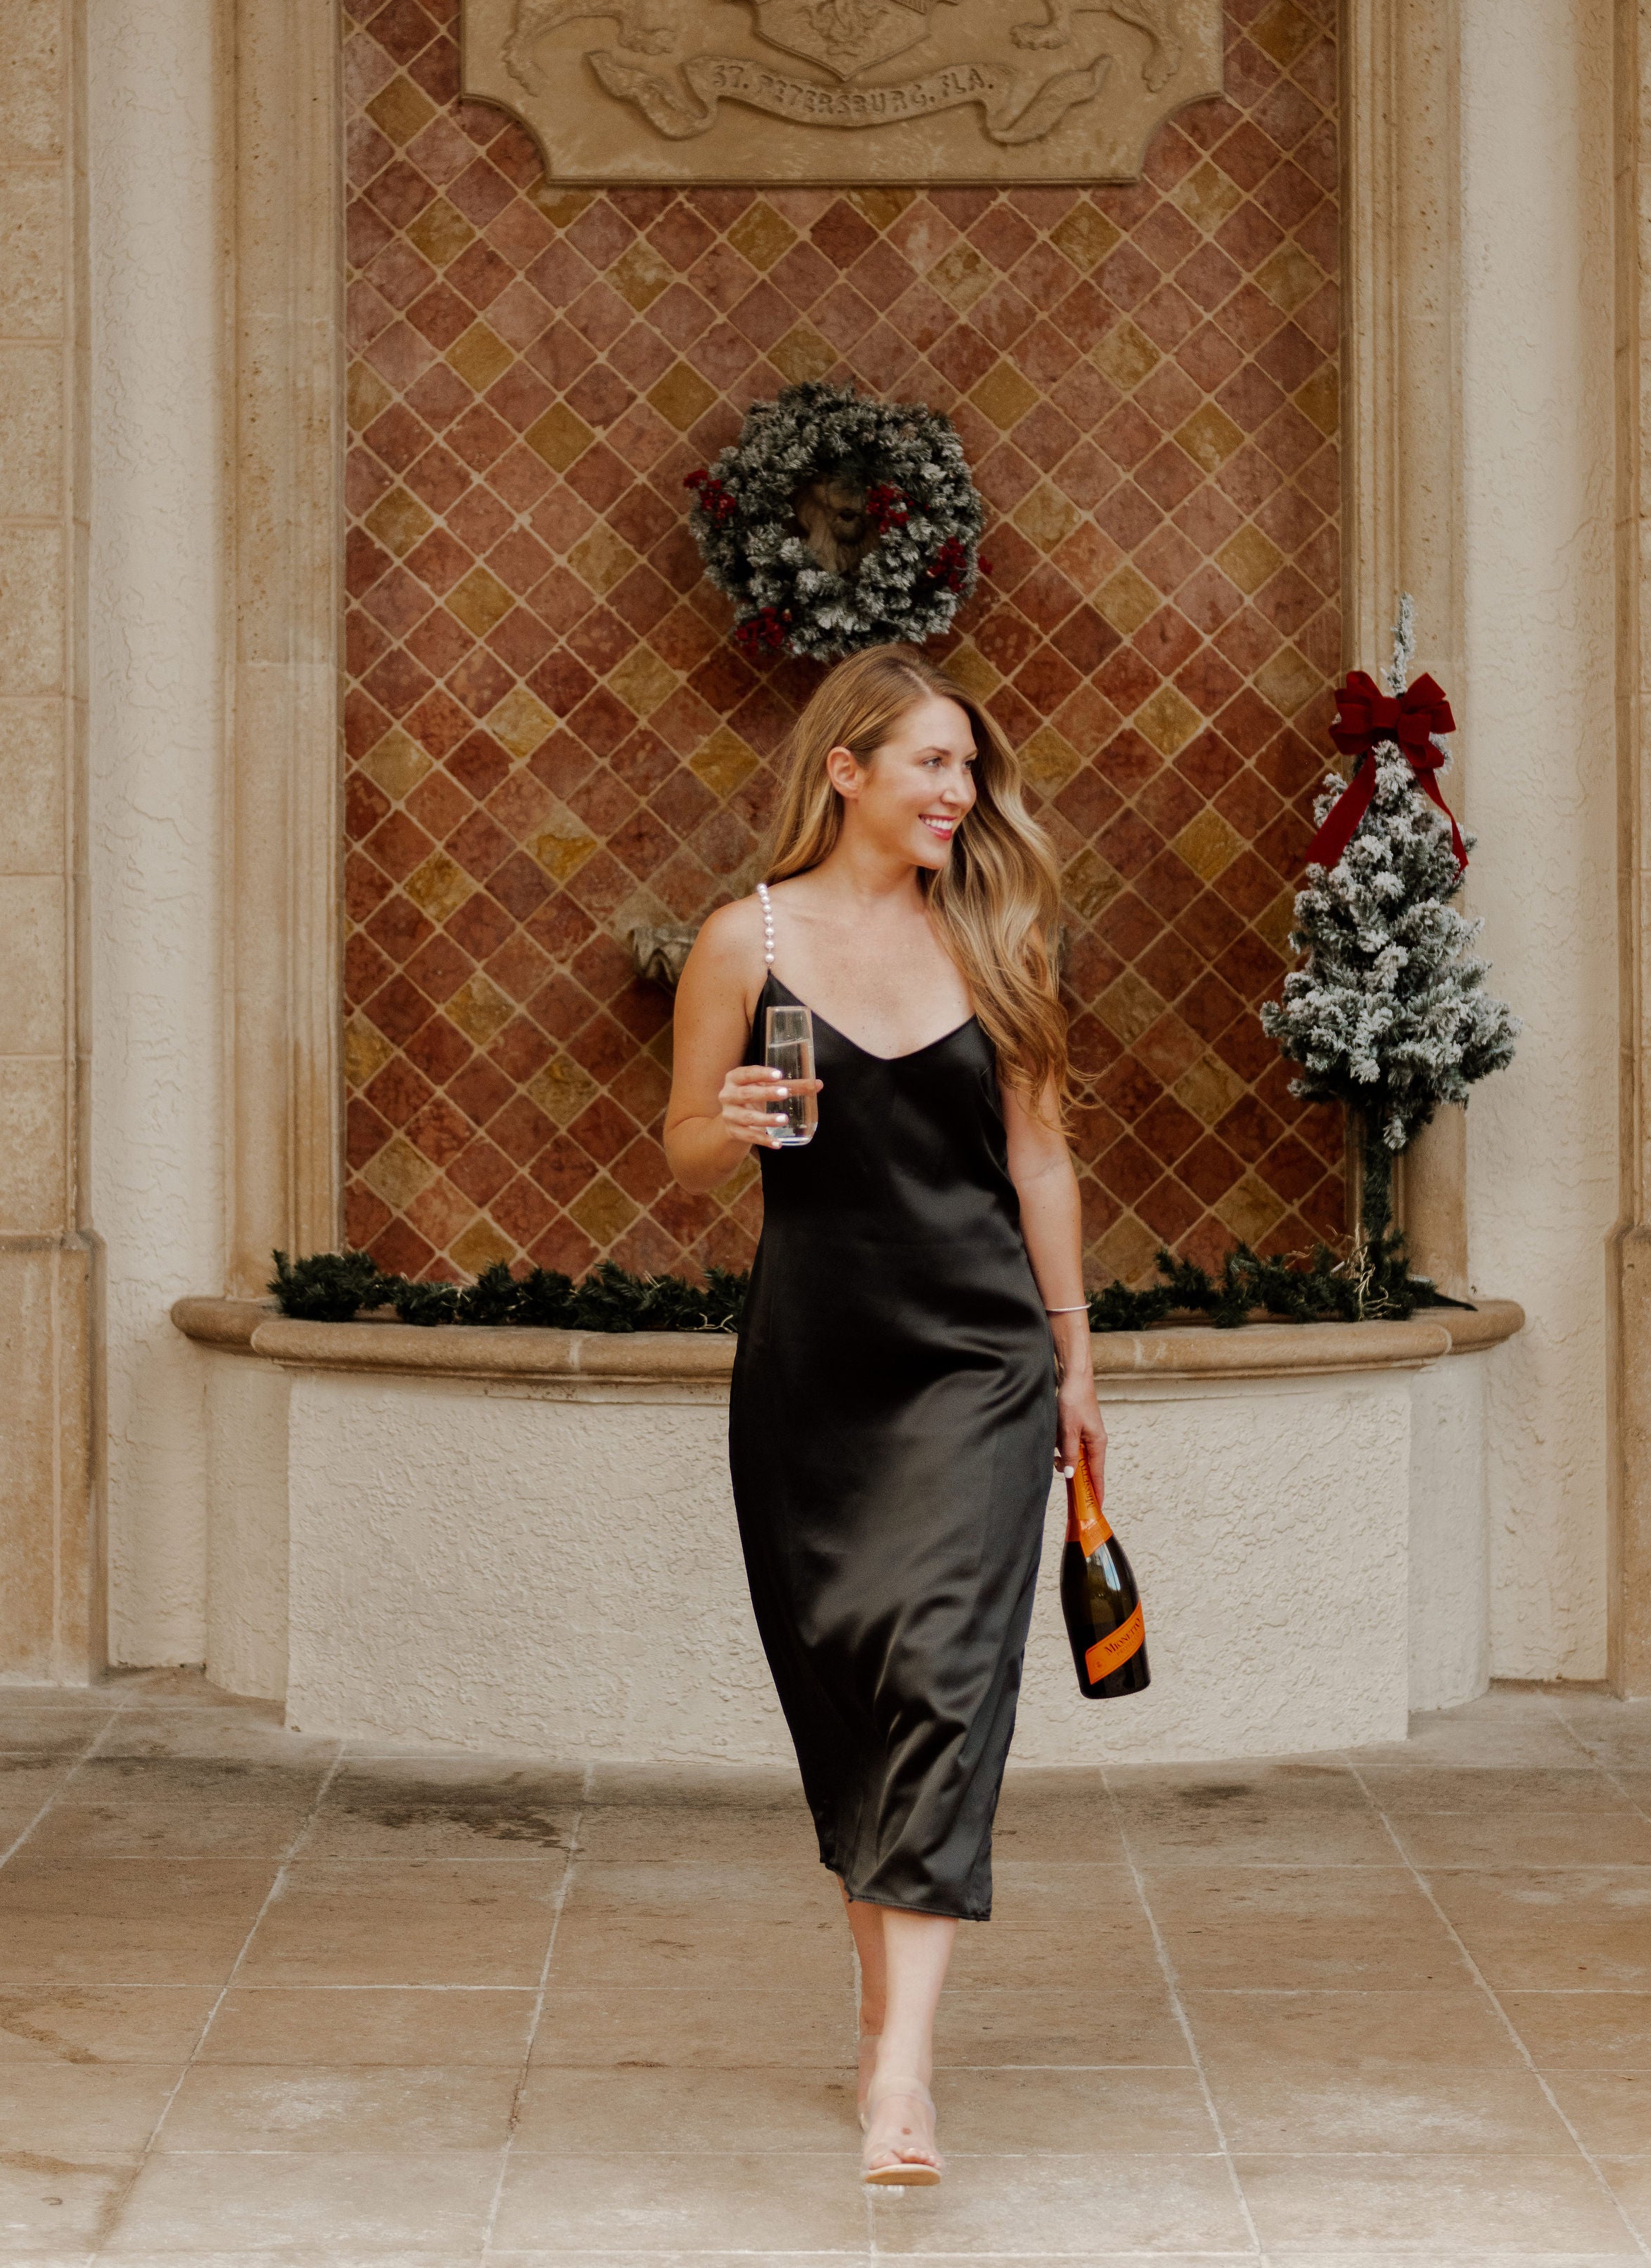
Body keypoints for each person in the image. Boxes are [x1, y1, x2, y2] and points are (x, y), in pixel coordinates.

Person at [663, 641, 1107, 2187]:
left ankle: (901, 2081)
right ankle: (880, 2021)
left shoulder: (999, 934)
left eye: (969, 769)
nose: (959, 793)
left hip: (981, 1361)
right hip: (814, 1370)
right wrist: (726, 1127)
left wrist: (1075, 1355)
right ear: (844, 768)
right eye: (931, 763)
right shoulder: (743, 941)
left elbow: (1040, 1158)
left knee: (945, 1682)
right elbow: (685, 1151)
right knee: (856, 1695)